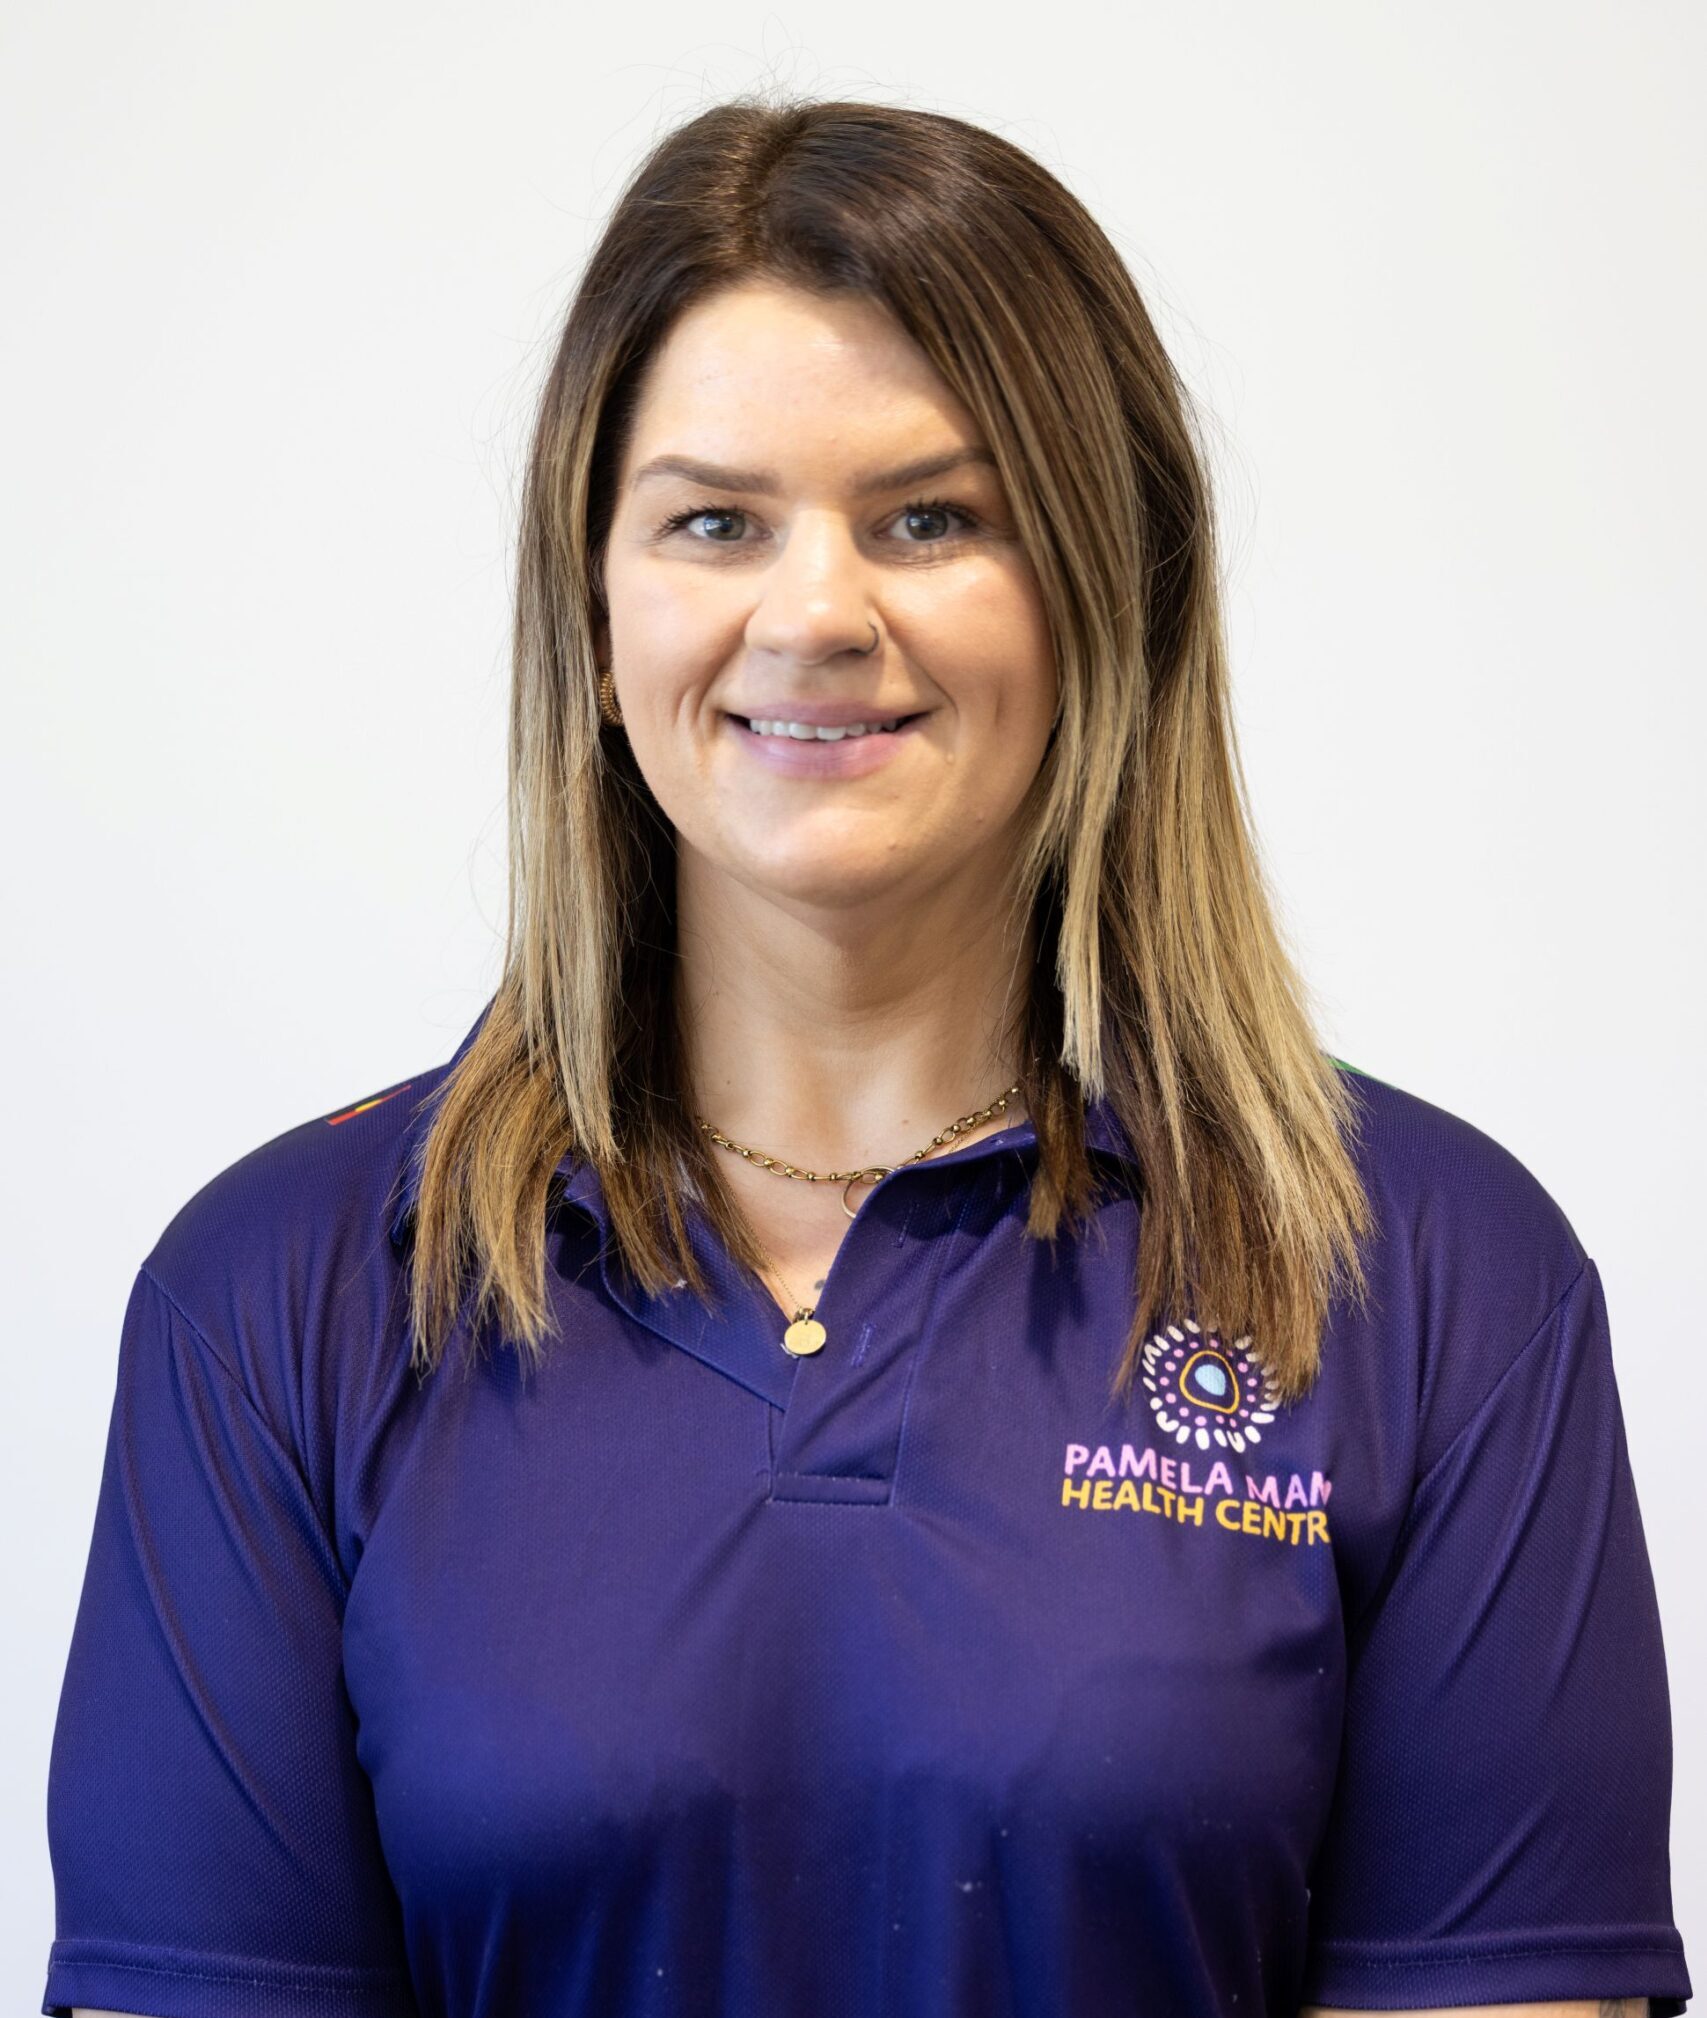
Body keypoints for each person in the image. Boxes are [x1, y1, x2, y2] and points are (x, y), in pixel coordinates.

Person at [42, 95, 1691, 2018]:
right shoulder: (278, 1300)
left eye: (932, 516)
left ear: (1105, 581)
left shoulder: (1439, 1279)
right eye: (714, 520)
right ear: (595, 605)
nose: (816, 612)